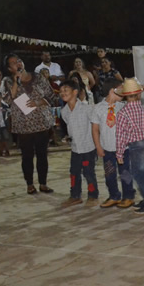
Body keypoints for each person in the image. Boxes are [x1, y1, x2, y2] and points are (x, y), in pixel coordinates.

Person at [4, 54, 58, 195]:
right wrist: (16, 81)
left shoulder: (38, 77)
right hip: (24, 125)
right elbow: (9, 100)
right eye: (13, 63)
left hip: (41, 122)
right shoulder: (8, 81)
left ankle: (43, 183)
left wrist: (38, 102)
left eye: (18, 60)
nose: (17, 63)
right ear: (10, 69)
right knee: (27, 156)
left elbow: (51, 95)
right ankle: (30, 184)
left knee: (42, 155)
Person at [115, 78, 144, 215]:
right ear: (139, 94)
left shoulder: (122, 113)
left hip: (136, 145)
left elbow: (120, 135)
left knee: (138, 174)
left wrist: (119, 153)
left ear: (124, 96)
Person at [91, 79, 136, 209]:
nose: (123, 91)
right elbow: (95, 130)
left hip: (124, 148)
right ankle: (114, 196)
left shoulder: (123, 106)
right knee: (109, 174)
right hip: (107, 149)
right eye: (121, 88)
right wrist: (98, 146)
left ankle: (128, 196)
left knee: (125, 173)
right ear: (112, 90)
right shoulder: (98, 108)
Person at [59, 80, 99, 208]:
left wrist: (98, 145)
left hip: (88, 147)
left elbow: (95, 126)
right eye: (61, 91)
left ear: (75, 92)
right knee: (74, 172)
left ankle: (93, 195)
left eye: (66, 90)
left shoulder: (87, 109)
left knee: (88, 172)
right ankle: (75, 196)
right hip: (75, 148)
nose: (62, 93)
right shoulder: (64, 111)